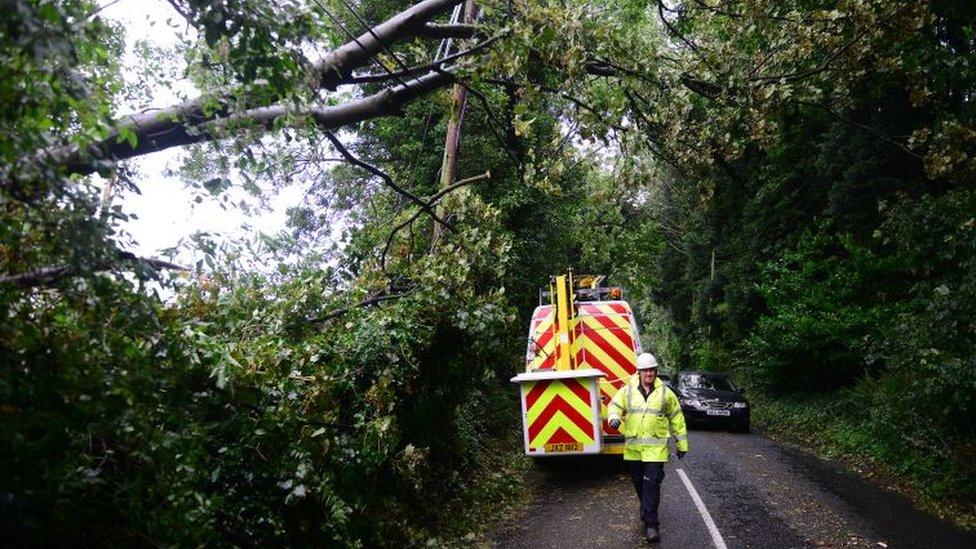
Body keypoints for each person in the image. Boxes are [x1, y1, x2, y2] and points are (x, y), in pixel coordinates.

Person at [608, 352, 688, 544]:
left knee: (651, 484)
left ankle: (651, 525)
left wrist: (681, 443)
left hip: (656, 450)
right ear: (639, 372)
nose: (649, 374)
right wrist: (613, 417)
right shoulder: (628, 390)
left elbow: (677, 417)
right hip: (634, 449)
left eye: (652, 370)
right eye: (645, 371)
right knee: (638, 483)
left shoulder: (665, 393)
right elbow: (614, 405)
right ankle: (645, 507)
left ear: (656, 371)